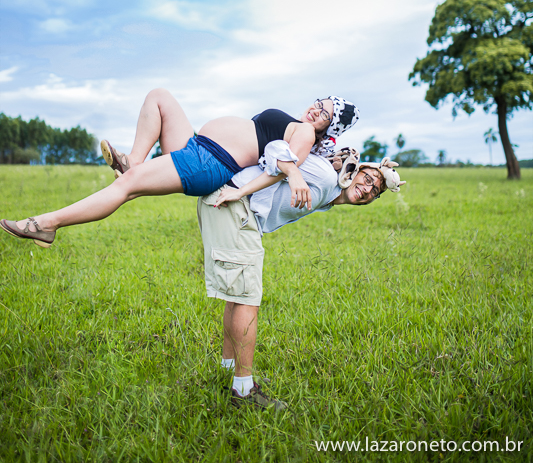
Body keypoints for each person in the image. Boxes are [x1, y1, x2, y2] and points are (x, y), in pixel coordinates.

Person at [0, 89, 359, 247]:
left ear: (330, 126)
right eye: (318, 103)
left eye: (325, 112)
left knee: (128, 189)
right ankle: (133, 163)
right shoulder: (298, 121)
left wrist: (271, 181)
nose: (316, 110)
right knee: (159, 97)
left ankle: (46, 224)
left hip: (212, 161)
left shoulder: (305, 133)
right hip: (197, 145)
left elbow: (283, 163)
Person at [196, 145, 406, 409]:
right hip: (236, 204)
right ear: (355, 171)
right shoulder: (326, 177)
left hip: (236, 208)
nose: (368, 189)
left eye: (375, 191)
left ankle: (227, 371)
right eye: (367, 180)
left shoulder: (329, 195)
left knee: (237, 296)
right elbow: (277, 150)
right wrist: (288, 174)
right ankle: (243, 391)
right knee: (248, 298)